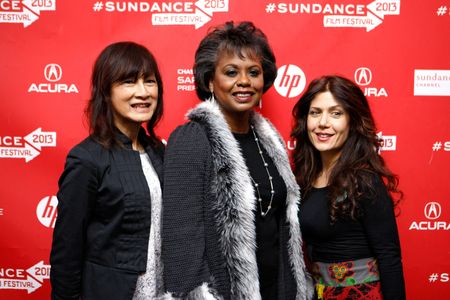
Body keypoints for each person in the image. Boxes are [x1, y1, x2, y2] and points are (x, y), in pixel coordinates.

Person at [161, 21, 314, 300]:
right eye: (231, 72)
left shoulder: (270, 140)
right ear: (210, 81)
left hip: (275, 289)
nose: (244, 81)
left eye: (253, 72)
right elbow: (181, 241)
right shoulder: (192, 139)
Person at [50, 41, 165, 300]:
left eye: (149, 81)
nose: (143, 92)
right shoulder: (88, 158)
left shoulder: (159, 152)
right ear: (106, 91)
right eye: (128, 82)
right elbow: (67, 250)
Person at [291, 75, 406, 300]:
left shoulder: (364, 180)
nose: (323, 122)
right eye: (315, 113)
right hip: (319, 292)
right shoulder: (303, 178)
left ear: (352, 121)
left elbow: (389, 256)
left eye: (336, 113)